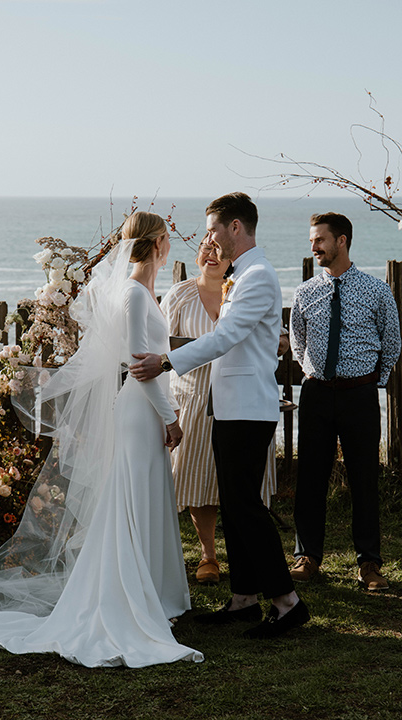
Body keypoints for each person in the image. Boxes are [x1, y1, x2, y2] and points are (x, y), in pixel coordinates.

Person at [0, 211, 203, 668]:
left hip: (150, 410)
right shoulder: (131, 293)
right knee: (130, 500)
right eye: (167, 240)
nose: (171, 248)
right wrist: (171, 418)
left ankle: (158, 595)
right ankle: (128, 596)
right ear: (157, 243)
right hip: (139, 411)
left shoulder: (145, 292)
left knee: (148, 497)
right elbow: (137, 363)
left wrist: (169, 409)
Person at [130, 192, 309, 639]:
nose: (207, 237)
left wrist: (167, 361)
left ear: (234, 228)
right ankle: (244, 598)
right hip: (228, 407)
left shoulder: (258, 277)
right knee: (233, 505)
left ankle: (287, 604)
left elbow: (226, 335)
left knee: (247, 507)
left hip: (249, 409)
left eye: (212, 229)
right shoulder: (241, 273)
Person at [162, 239, 288, 584]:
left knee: (238, 488)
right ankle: (208, 554)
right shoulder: (179, 295)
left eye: (217, 248)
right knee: (198, 478)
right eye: (205, 247)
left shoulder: (245, 286)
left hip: (239, 400)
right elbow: (159, 342)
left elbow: (269, 334)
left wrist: (280, 341)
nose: (211, 254)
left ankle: (245, 568)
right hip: (194, 398)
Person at [289, 212, 401, 590]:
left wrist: (375, 382)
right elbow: (297, 341)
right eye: (311, 242)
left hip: (360, 397)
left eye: (320, 240)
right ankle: (308, 557)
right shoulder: (304, 293)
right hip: (318, 395)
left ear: (342, 240)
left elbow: (393, 341)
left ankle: (369, 564)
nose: (314, 247)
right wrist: (311, 374)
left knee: (365, 480)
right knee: (310, 479)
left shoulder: (376, 291)